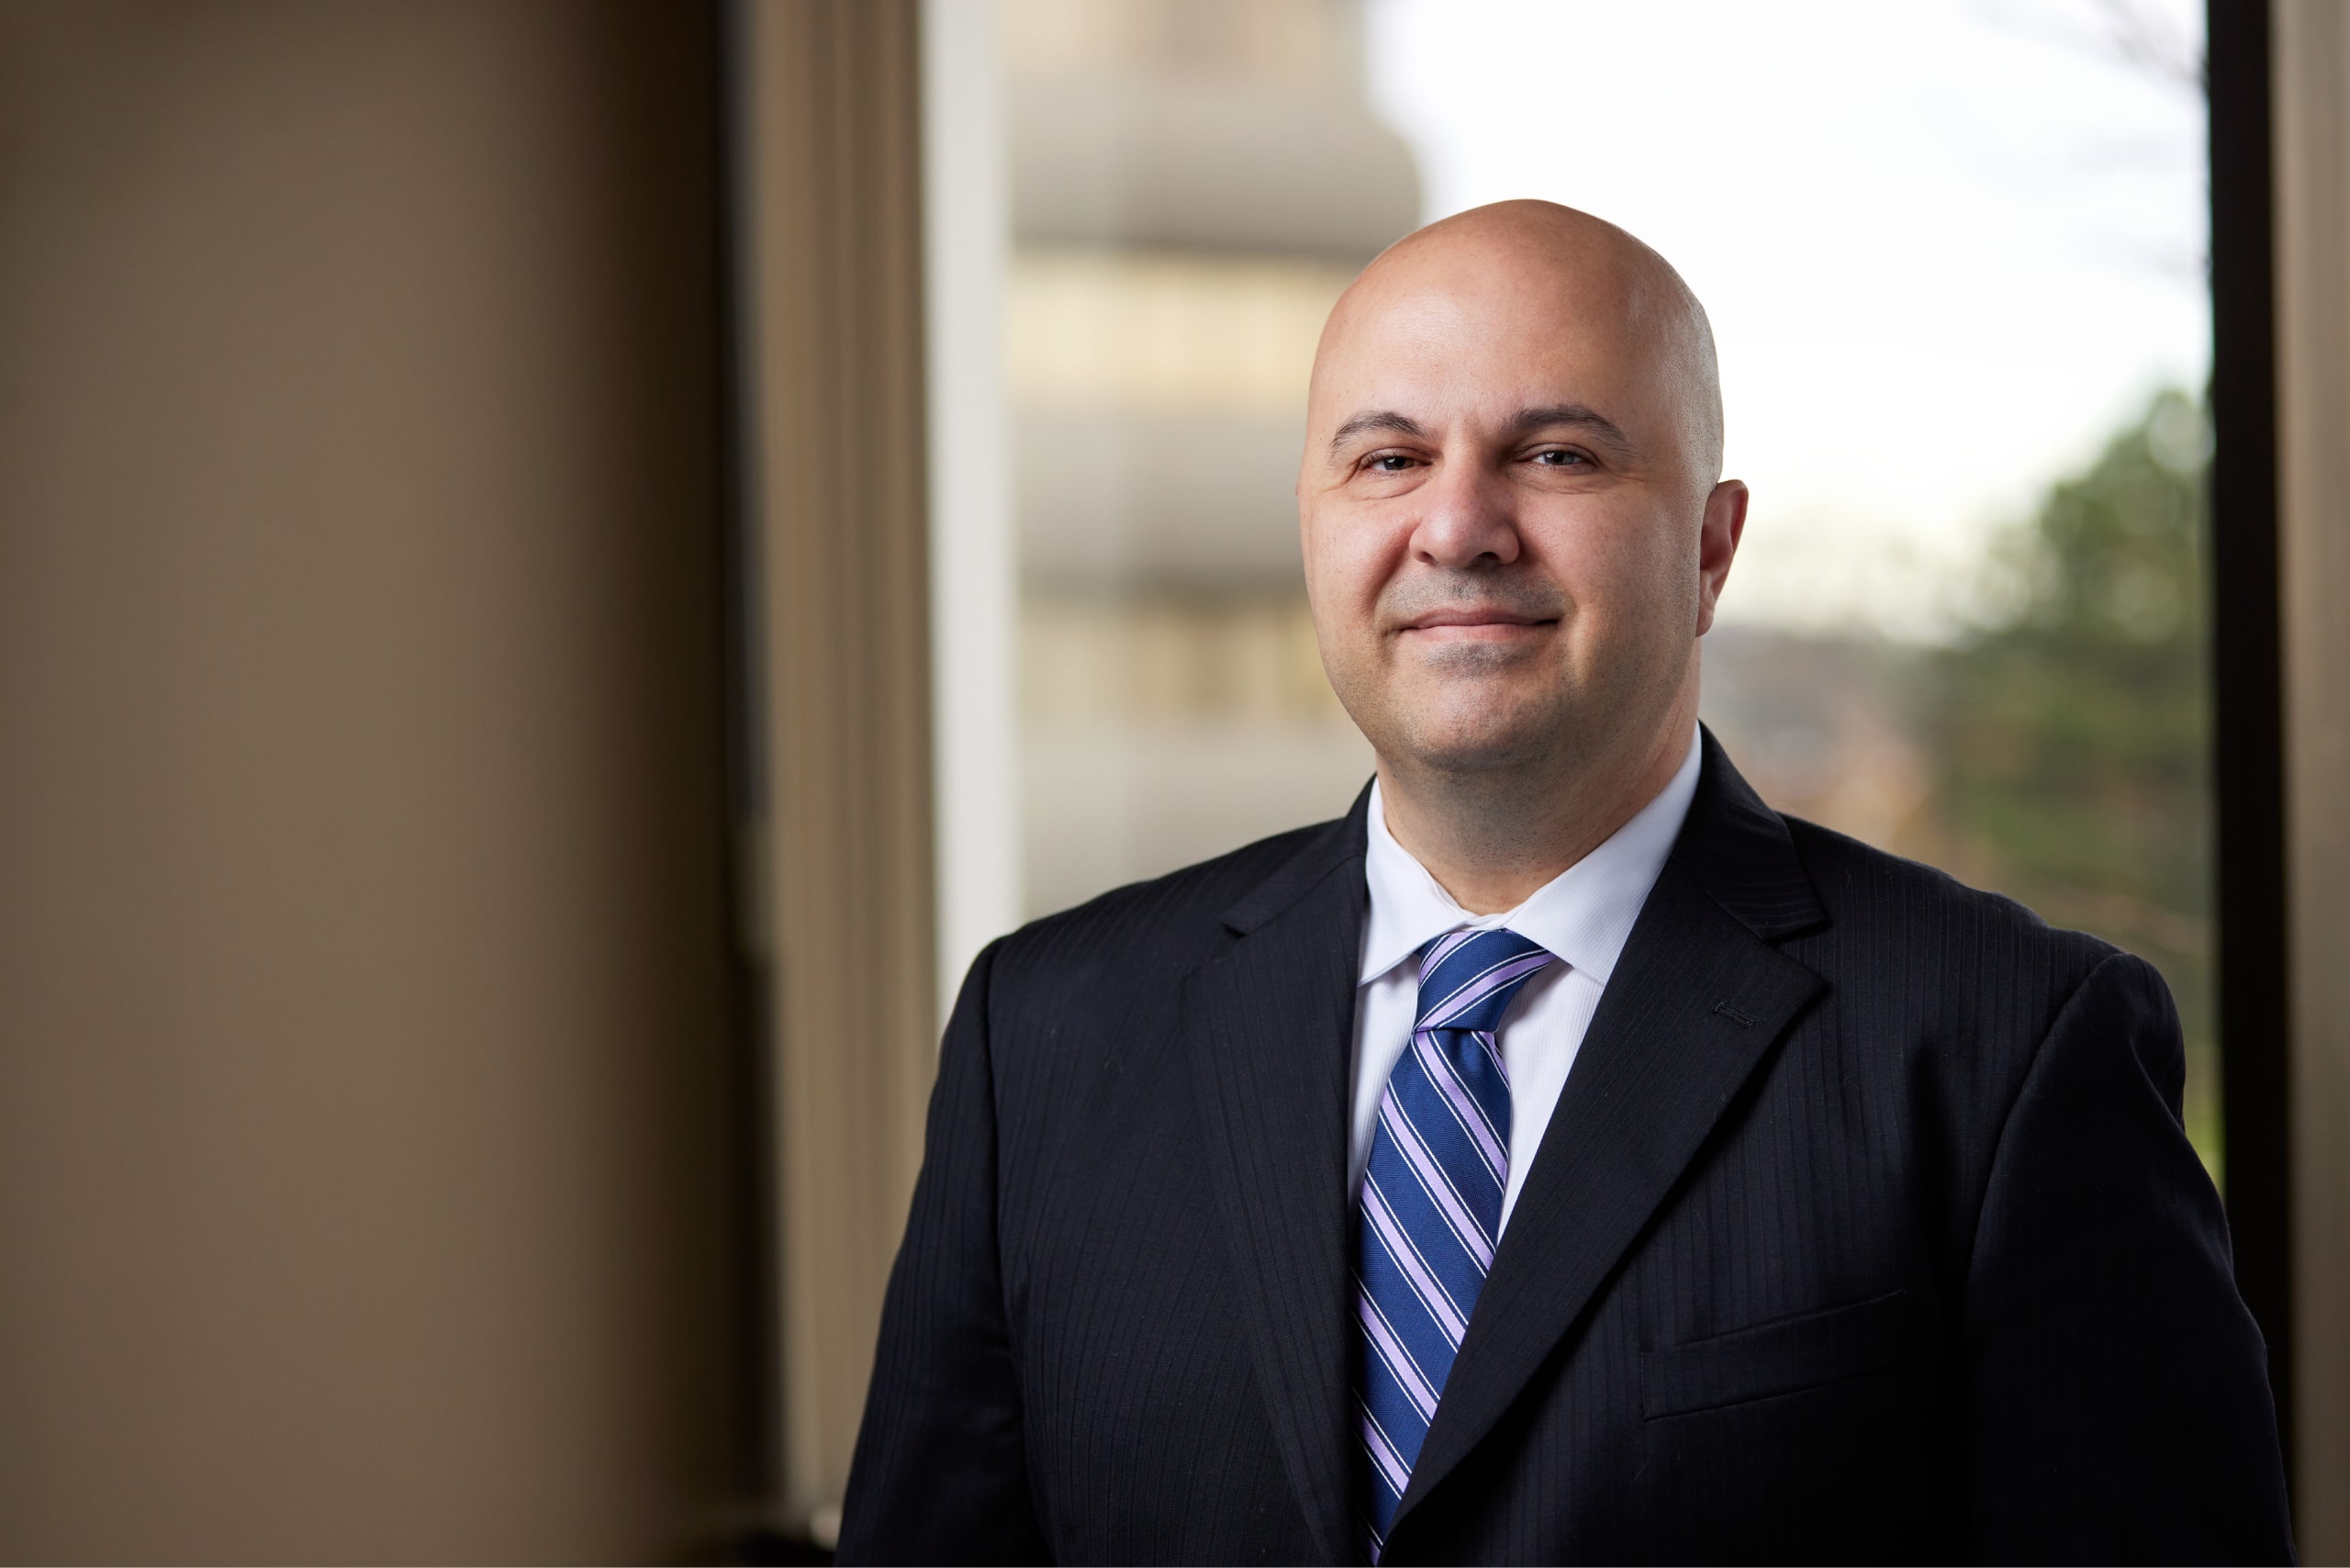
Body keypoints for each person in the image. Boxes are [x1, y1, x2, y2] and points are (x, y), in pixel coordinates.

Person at [834, 201, 2293, 1564]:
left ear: (1712, 548)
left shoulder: (2008, 1051)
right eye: (1389, 458)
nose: (1458, 527)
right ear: (1314, 526)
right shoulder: (1044, 1038)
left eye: (1557, 455)